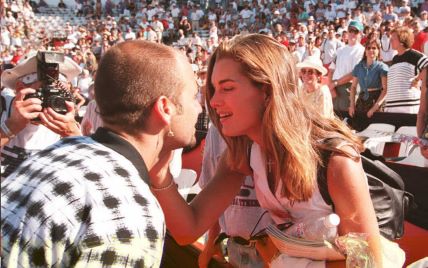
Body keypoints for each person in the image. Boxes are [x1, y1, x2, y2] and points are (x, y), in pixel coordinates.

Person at [150, 34, 391, 267]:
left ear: (266, 90)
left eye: (228, 88)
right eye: (214, 88)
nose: (213, 101)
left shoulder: (335, 159)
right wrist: (159, 166)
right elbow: (188, 230)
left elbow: (368, 260)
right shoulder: (244, 152)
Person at [1, 40, 202, 267]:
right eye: (193, 96)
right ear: (165, 108)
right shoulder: (127, 209)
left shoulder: (49, 156)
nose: (200, 108)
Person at [198, 125, 273, 268]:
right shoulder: (216, 131)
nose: (215, 103)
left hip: (274, 251)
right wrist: (211, 243)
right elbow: (214, 196)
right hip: (235, 247)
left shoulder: (276, 123)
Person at [1, 52, 82, 178]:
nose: (51, 100)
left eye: (59, 94)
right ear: (20, 88)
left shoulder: (66, 119)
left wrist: (73, 135)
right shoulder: (3, 108)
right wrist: (10, 127)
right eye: (44, 92)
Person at [385, 26, 428, 113]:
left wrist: (417, 79)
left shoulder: (414, 55)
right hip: (391, 106)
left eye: (393, 38)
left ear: (402, 41)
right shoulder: (395, 58)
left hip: (408, 107)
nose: (390, 41)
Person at [349, 39, 388, 131]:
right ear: (365, 51)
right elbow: (353, 87)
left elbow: (385, 89)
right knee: (358, 130)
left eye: (374, 48)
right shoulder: (358, 67)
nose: (371, 50)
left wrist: (375, 108)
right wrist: (352, 105)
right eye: (368, 48)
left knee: (374, 131)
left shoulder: (382, 67)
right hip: (361, 101)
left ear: (378, 51)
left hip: (377, 100)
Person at [328, 20, 365, 114]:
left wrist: (335, 83)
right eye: (350, 30)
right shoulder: (340, 49)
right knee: (333, 118)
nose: (352, 33)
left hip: (349, 88)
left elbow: (354, 73)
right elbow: (331, 69)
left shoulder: (361, 50)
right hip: (335, 88)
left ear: (360, 34)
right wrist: (330, 86)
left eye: (355, 31)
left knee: (346, 120)